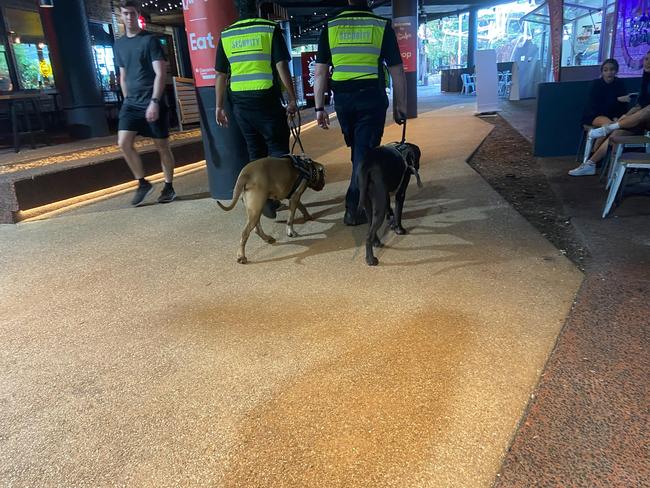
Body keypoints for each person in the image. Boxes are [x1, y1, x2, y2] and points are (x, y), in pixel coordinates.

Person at [313, 0, 407, 225]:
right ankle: (354, 206)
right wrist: (400, 106)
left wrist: (319, 108)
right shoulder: (380, 25)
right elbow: (397, 71)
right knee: (363, 154)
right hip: (371, 98)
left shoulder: (331, 25)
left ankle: (362, 196)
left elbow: (320, 73)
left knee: (358, 150)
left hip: (344, 101)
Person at [214, 1, 298, 219]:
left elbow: (221, 75)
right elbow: (281, 67)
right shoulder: (269, 29)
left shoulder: (227, 35)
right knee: (278, 150)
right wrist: (292, 97)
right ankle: (278, 196)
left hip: (240, 104)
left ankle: (266, 204)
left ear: (237, 8)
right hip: (266, 100)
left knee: (255, 152)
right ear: (257, 6)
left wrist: (219, 106)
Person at [114, 0, 176, 206]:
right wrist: (126, 100)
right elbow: (122, 75)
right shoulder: (120, 44)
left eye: (132, 13)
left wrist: (155, 102)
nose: (129, 17)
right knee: (123, 143)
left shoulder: (149, 41)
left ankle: (168, 186)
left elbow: (160, 73)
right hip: (131, 103)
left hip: (152, 100)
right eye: (125, 13)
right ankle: (142, 182)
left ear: (137, 15)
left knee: (161, 146)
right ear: (121, 16)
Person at [569, 58, 630, 176]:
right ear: (602, 72)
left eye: (612, 70)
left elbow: (623, 106)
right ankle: (594, 160)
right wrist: (616, 100)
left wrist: (618, 116)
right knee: (610, 126)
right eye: (606, 70)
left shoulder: (620, 84)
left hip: (612, 117)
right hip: (593, 115)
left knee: (609, 128)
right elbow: (595, 106)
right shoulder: (596, 84)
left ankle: (592, 159)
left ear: (616, 71)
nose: (609, 72)